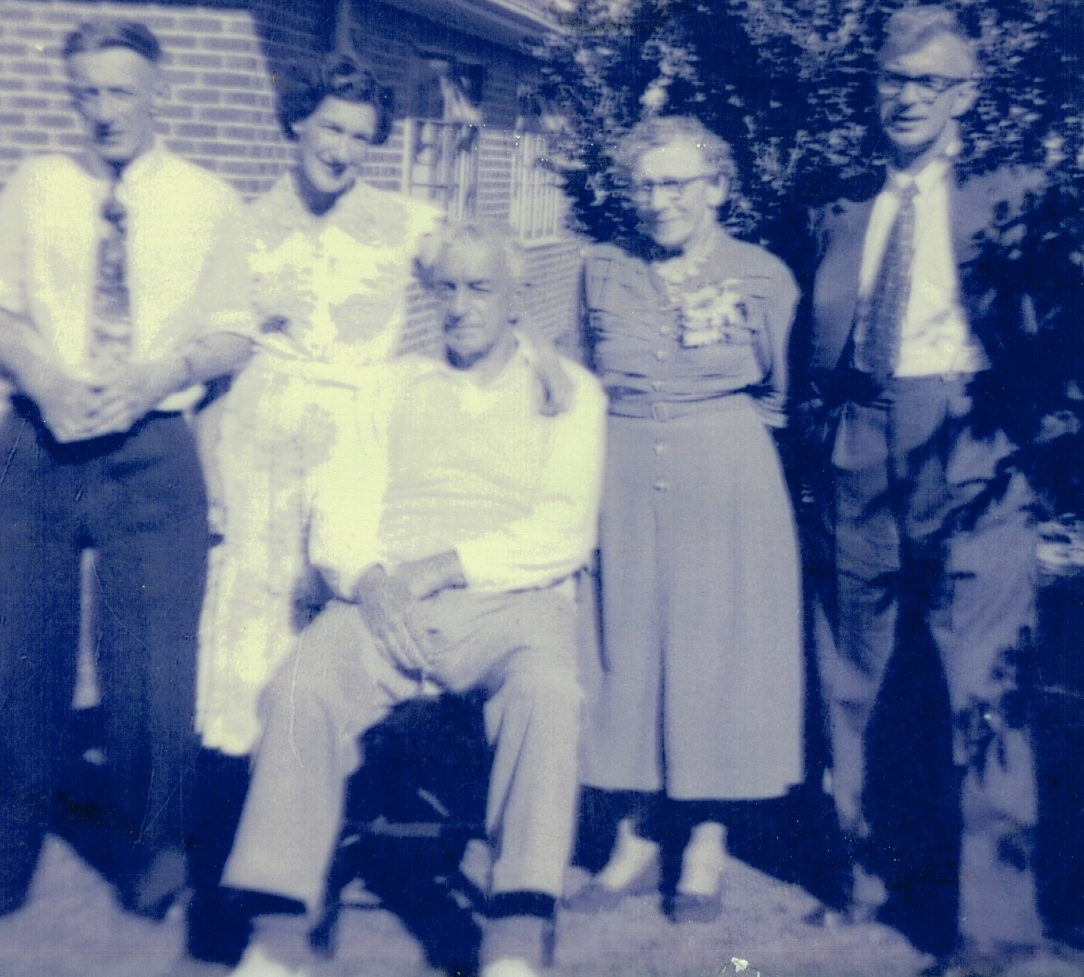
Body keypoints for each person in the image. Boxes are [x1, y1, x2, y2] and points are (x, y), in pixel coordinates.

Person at [219, 221, 606, 977]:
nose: (460, 306)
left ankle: (516, 934)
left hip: (511, 599)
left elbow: (562, 528)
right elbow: (337, 507)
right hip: (385, 596)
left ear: (515, 294)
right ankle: (277, 932)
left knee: (549, 691)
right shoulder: (390, 385)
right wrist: (369, 580)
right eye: (446, 289)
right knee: (300, 684)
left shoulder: (565, 391)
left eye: (480, 287)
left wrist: (438, 568)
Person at [0, 19, 254, 931]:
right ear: (69, 93)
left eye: (120, 90)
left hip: (153, 449)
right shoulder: (38, 185)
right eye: (86, 92)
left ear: (158, 91)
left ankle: (152, 851)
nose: (103, 111)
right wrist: (43, 374)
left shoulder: (208, 199)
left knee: (153, 667)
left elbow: (235, 331)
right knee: (14, 658)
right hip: (38, 444)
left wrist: (155, 376)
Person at [796, 6, 1043, 963]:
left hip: (970, 442)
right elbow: (812, 351)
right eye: (894, 82)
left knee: (979, 680)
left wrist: (1034, 451)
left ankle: (994, 925)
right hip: (860, 439)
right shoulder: (842, 210)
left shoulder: (1008, 197)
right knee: (858, 671)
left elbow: (1057, 342)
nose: (906, 100)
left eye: (929, 84)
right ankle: (872, 873)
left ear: (965, 97)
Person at [186, 52, 441, 964]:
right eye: (330, 128)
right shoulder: (245, 225)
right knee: (253, 665)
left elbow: (483, 276)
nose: (342, 148)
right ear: (298, 124)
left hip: (355, 458)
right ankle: (240, 885)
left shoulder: (404, 222)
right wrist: (214, 482)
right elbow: (217, 358)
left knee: (329, 656)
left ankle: (315, 874)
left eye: (361, 137)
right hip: (262, 457)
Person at [571, 116, 804, 922]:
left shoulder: (764, 275)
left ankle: (704, 837)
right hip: (623, 470)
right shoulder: (599, 269)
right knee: (626, 645)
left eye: (675, 183)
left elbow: (778, 390)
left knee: (714, 650)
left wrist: (715, 445)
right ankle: (635, 832)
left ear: (716, 187)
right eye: (643, 184)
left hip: (726, 474)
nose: (657, 199)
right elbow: (575, 379)